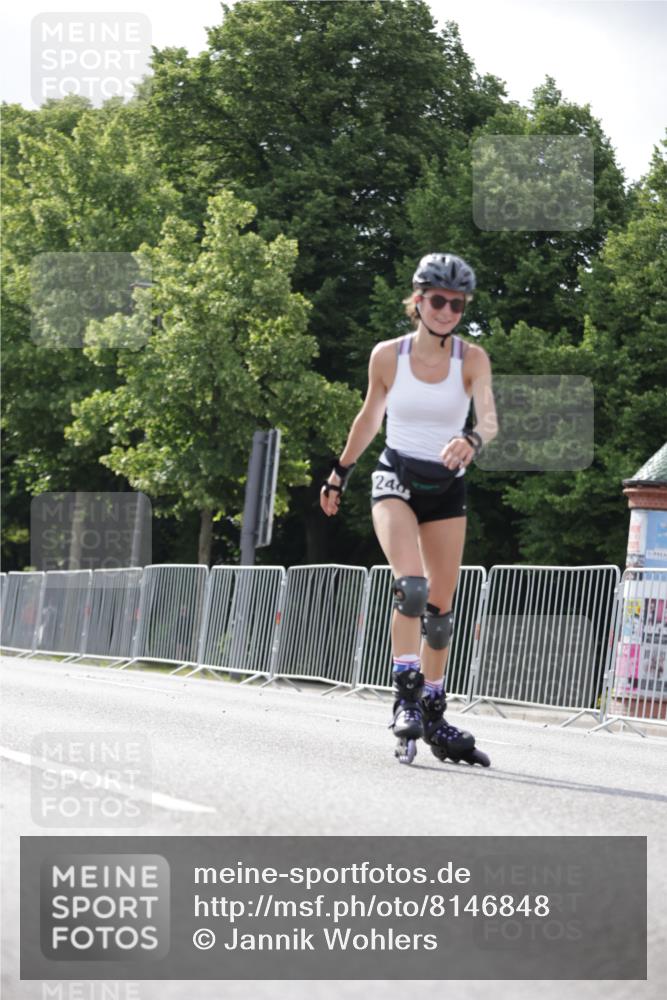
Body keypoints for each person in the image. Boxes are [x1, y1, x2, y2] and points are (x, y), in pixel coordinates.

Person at [320, 252, 498, 766]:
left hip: (447, 489)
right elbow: (369, 416)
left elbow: (488, 419)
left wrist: (471, 439)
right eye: (438, 300)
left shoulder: (472, 359)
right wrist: (339, 472)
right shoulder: (387, 357)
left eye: (457, 303)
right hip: (395, 477)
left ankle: (435, 712)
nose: (446, 310)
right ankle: (405, 694)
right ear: (417, 300)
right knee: (412, 588)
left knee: (440, 615)